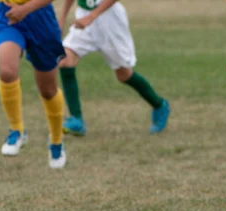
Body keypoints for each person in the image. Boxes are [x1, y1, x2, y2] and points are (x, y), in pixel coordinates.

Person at [58, 0, 170, 136]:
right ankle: (76, 119)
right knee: (65, 60)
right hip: (84, 16)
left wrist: (92, 16)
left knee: (124, 74)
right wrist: (62, 19)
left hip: (109, 19)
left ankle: (159, 105)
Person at [0, 0, 67, 169]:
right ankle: (17, 130)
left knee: (48, 90)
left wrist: (26, 9)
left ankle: (56, 140)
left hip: (40, 17)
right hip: (8, 14)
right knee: (7, 71)